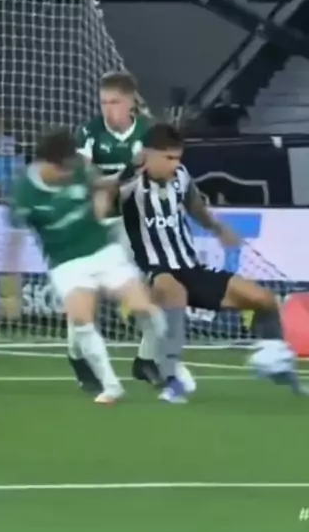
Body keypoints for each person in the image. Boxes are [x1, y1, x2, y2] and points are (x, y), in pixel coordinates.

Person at [122, 122, 299, 403]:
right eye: (168, 158)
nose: (175, 164)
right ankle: (171, 375)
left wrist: (217, 228)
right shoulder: (129, 186)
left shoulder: (181, 177)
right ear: (148, 155)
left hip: (191, 268)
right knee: (173, 290)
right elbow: (99, 200)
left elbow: (194, 206)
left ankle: (274, 358)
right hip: (154, 271)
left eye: (178, 158)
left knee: (263, 298)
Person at [3, 126, 166, 404]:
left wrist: (129, 171)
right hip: (66, 263)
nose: (69, 174)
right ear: (46, 164)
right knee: (82, 322)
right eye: (63, 169)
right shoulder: (25, 191)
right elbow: (15, 239)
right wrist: (10, 283)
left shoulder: (79, 167)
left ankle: (171, 365)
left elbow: (102, 186)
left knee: (146, 309)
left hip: (102, 251)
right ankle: (111, 386)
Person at [74, 70, 193, 393]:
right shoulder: (88, 132)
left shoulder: (148, 132)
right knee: (86, 294)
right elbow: (89, 179)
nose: (108, 109)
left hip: (134, 225)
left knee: (154, 289)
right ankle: (78, 357)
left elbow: (164, 175)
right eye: (103, 102)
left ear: (130, 103)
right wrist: (124, 175)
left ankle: (146, 359)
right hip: (96, 224)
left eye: (114, 102)